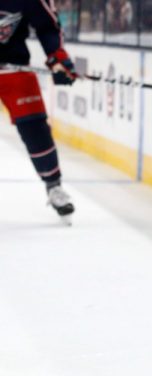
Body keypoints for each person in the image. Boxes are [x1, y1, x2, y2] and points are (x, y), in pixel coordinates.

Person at [0, 0, 78, 223]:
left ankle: (53, 186)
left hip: (12, 67)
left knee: (35, 127)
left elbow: (47, 27)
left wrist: (58, 60)